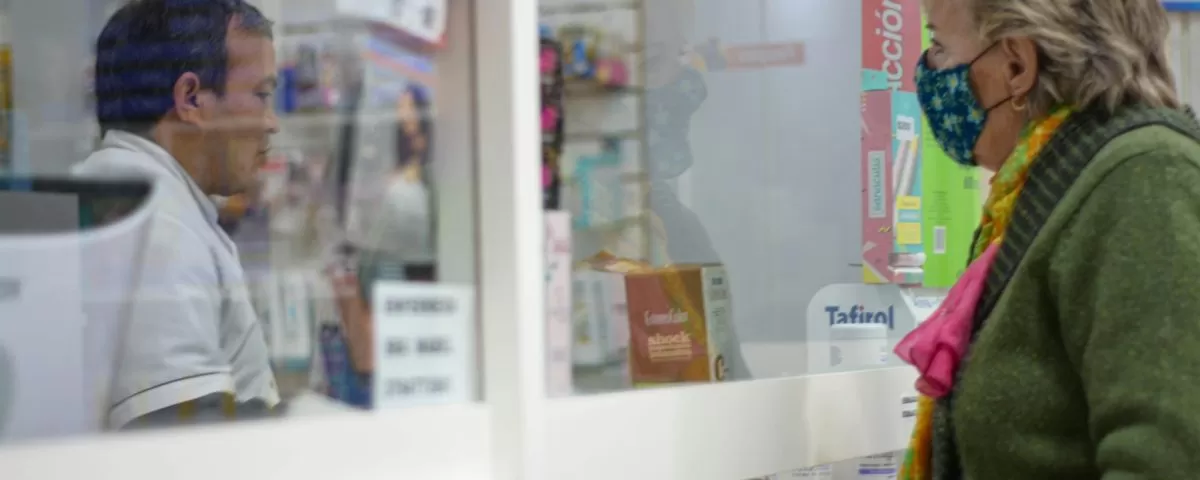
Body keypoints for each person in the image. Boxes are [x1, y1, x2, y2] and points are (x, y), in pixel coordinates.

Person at [896, 0, 1200, 479]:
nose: (929, 71)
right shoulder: (1043, 189)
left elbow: (1167, 458)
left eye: (939, 46)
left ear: (1016, 65)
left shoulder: (1145, 177)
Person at [72, 0, 280, 429]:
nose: (271, 122)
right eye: (260, 95)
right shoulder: (154, 226)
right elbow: (181, 441)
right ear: (191, 98)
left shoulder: (145, 199)